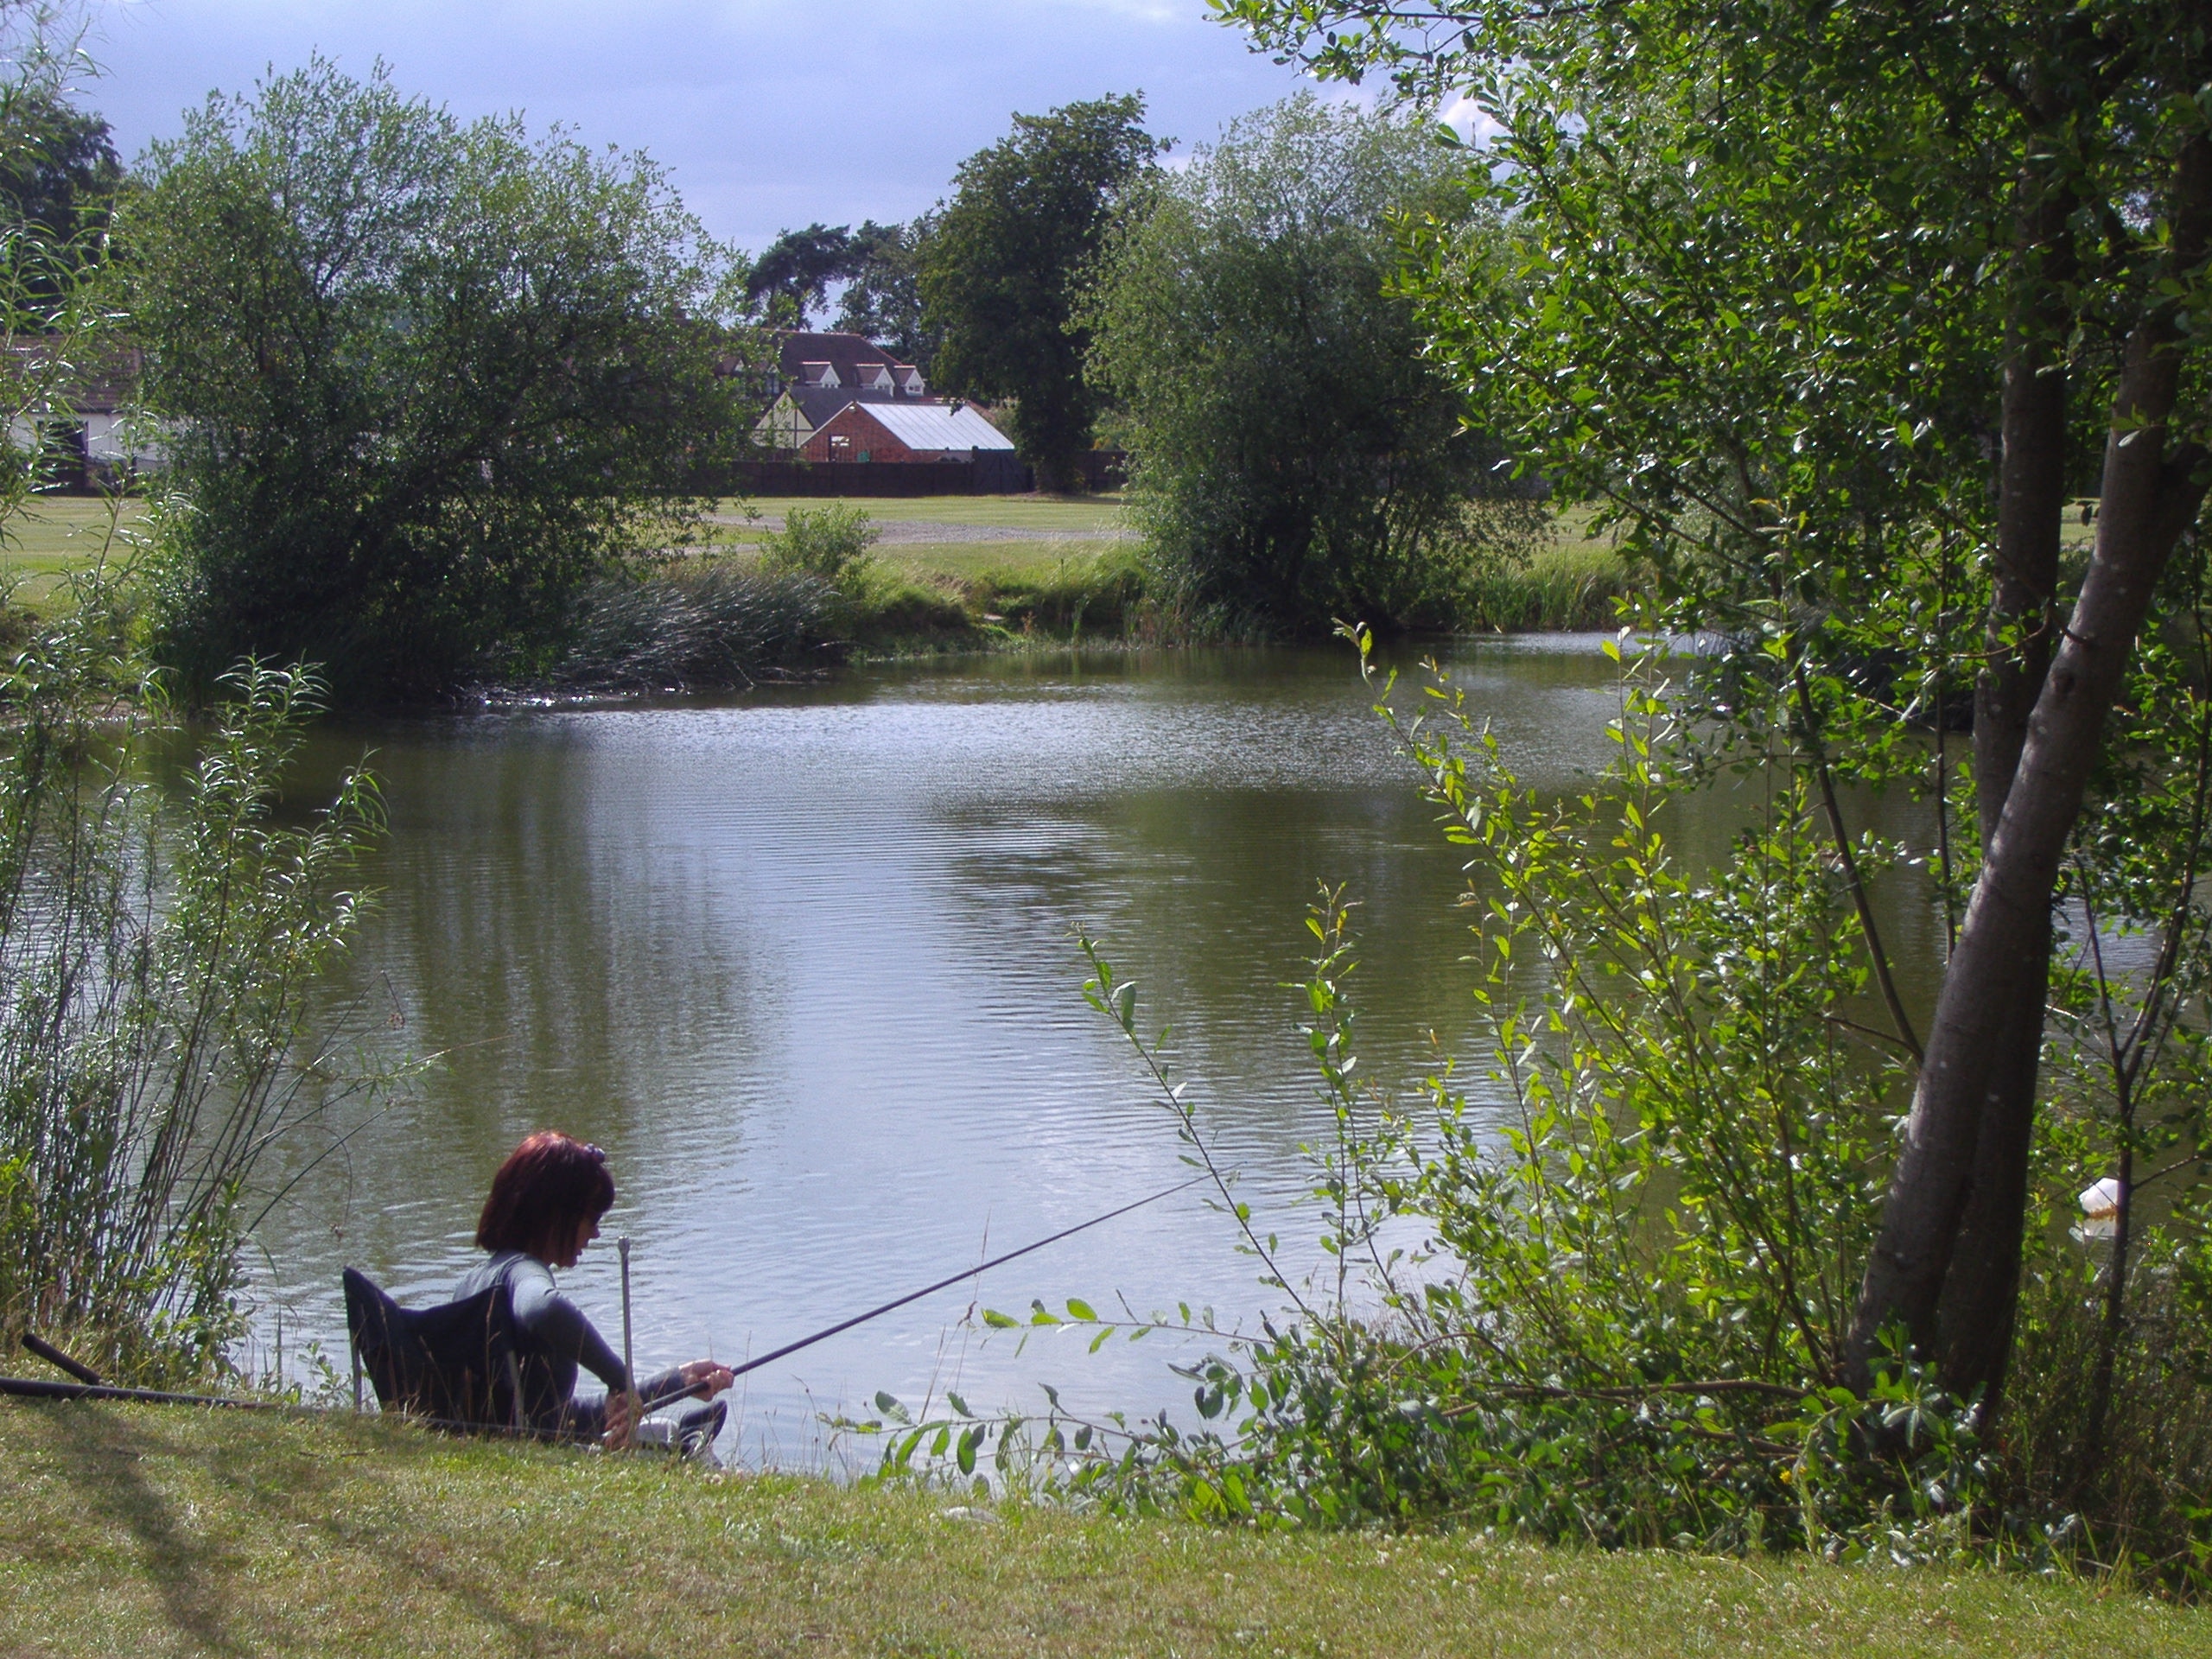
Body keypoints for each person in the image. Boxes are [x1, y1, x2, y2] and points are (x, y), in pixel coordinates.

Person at [454, 1131, 733, 1448]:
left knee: (665, 1430)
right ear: (556, 1215)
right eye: (592, 1218)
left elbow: (549, 1420)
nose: (597, 1233)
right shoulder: (523, 1274)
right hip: (535, 1464)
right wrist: (620, 1379)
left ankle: (685, 1436)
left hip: (517, 1451)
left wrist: (671, 1384)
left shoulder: (472, 1282)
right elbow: (545, 1310)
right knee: (674, 1444)